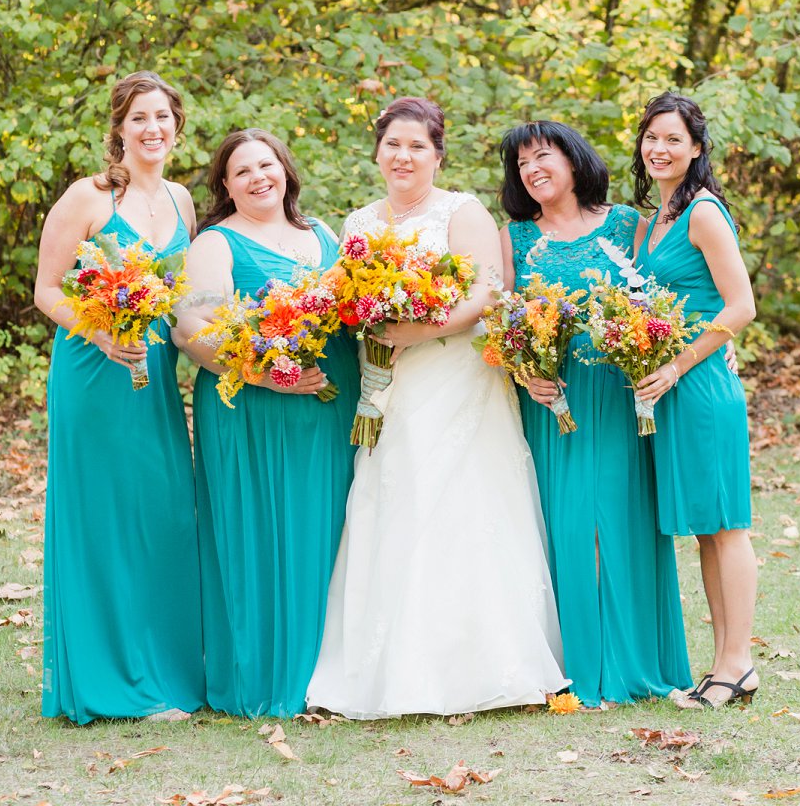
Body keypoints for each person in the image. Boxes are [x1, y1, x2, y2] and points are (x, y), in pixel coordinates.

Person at [305, 97, 566, 718]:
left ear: (438, 154)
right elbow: (349, 297)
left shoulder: (462, 210)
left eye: (418, 146)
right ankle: (391, 668)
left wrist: (424, 329)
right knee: (394, 497)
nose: (404, 156)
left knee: (461, 501)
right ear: (377, 151)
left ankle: (483, 663)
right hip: (388, 383)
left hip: (457, 375)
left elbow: (486, 289)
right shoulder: (358, 221)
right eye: (393, 144)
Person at [497, 121, 692, 704]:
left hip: (617, 393)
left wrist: (706, 343)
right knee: (568, 526)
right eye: (522, 164)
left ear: (574, 160)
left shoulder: (629, 225)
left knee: (622, 521)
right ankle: (578, 666)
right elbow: (505, 321)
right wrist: (523, 370)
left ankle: (635, 664)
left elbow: (666, 295)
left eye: (543, 155)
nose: (532, 169)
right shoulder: (516, 237)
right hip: (554, 401)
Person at [31, 72, 203, 723]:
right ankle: (112, 681)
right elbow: (46, 290)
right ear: (120, 129)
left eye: (163, 117)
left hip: (153, 375)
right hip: (93, 371)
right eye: (140, 118)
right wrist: (101, 335)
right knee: (104, 517)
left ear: (176, 126)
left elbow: (185, 299)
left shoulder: (184, 202)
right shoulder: (90, 197)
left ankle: (163, 670)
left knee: (160, 512)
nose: (153, 128)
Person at [175, 129, 356, 717]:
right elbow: (191, 330)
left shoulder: (323, 234)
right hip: (252, 410)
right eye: (242, 171)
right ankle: (267, 676)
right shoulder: (216, 245)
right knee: (260, 530)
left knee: (323, 529)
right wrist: (259, 374)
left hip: (328, 407)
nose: (258, 178)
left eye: (267, 164)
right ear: (225, 186)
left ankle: (324, 676)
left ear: (286, 169)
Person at [629, 92, 759, 709]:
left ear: (697, 147)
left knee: (726, 526)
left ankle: (737, 664)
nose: (659, 149)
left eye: (673, 139)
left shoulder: (704, 212)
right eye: (651, 137)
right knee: (705, 529)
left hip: (700, 386)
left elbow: (741, 305)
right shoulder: (654, 218)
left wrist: (680, 362)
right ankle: (724, 666)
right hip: (668, 389)